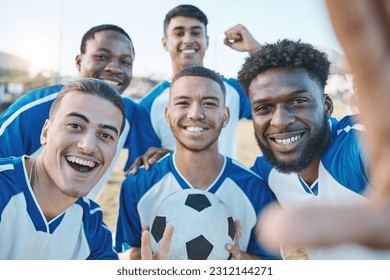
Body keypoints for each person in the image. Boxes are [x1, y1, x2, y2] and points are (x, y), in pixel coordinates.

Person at [236, 36, 390, 259]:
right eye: (264, 107)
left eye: (298, 101)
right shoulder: (267, 170)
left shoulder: (360, 145)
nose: (279, 121)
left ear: (327, 106)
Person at [115, 66, 277, 260]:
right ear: (167, 115)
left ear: (225, 116)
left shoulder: (255, 189)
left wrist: (241, 261)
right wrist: (142, 259)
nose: (195, 114)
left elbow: (272, 261)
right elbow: (123, 252)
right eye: (183, 103)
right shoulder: (137, 185)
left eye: (209, 103)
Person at [0, 24, 160, 200]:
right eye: (101, 56)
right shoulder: (36, 109)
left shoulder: (130, 113)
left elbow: (149, 156)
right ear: (79, 62)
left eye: (125, 62)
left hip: (76, 224)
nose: (114, 68)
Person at [0, 78, 124, 259]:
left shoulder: (92, 228)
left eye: (105, 135)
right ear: (45, 133)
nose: (88, 146)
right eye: (75, 125)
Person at [136, 5, 260, 169]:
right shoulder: (148, 105)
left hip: (225, 191)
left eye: (196, 32)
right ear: (165, 43)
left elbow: (281, 94)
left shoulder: (234, 91)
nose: (188, 39)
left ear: (207, 41)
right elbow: (144, 164)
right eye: (179, 33)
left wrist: (257, 50)